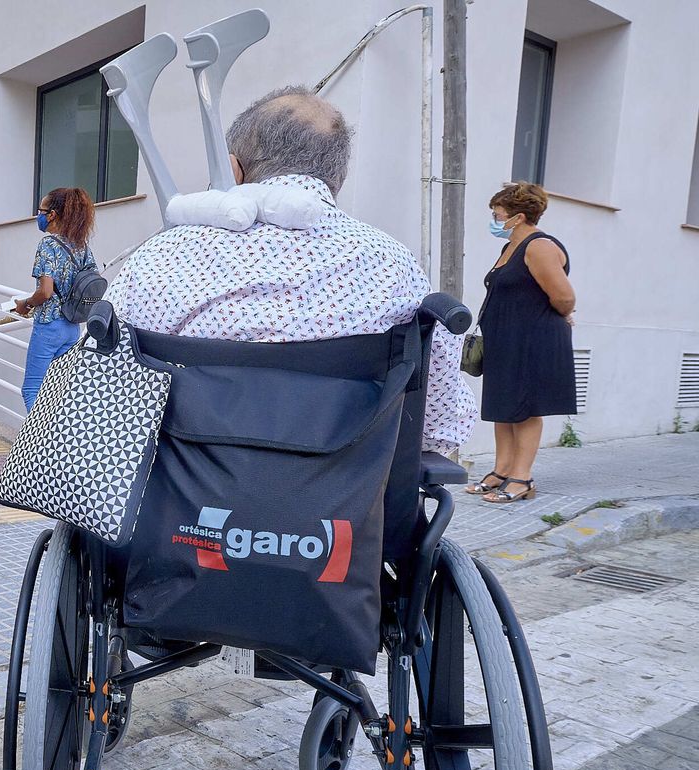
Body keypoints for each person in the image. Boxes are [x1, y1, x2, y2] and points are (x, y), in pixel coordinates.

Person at [107, 85, 477, 453]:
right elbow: (437, 426)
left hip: (179, 498)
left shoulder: (166, 255)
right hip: (344, 502)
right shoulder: (394, 264)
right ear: (335, 180)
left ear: (235, 169)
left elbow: (104, 389)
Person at [466, 182, 577, 504]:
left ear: (517, 217)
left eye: (497, 213)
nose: (494, 218)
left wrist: (561, 314)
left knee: (526, 409)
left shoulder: (538, 246)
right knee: (504, 407)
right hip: (505, 341)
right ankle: (501, 471)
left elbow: (564, 297)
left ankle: (522, 477)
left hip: (533, 340)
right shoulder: (510, 247)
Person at [15, 187, 95, 410]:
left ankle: (37, 443)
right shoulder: (82, 246)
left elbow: (46, 291)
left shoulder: (48, 245)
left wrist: (26, 304)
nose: (38, 216)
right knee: (56, 393)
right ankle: (57, 441)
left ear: (52, 214)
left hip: (49, 326)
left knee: (32, 390)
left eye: (40, 211)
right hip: (72, 328)